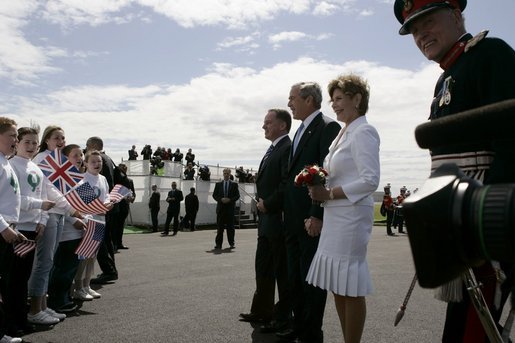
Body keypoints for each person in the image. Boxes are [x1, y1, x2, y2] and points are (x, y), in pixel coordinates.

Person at [394, 0, 515, 341]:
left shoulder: (491, 54)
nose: (421, 35)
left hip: (487, 225)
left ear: (457, 15)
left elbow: (511, 139)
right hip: (461, 221)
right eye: (414, 30)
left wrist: (486, 217)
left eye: (428, 21)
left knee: (481, 331)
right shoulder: (447, 77)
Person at [306, 75, 380, 343]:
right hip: (336, 216)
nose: (334, 105)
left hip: (351, 218)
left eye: (339, 99)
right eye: (332, 100)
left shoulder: (364, 132)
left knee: (350, 287)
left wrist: (329, 193)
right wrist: (317, 184)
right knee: (338, 285)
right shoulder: (343, 132)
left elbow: (370, 179)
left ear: (357, 99)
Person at [278, 82, 340, 343]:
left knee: (311, 278)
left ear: (309, 100)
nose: (289, 103)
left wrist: (316, 214)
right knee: (294, 275)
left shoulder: (327, 127)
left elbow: (325, 173)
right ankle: (298, 324)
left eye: (292, 98)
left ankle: (312, 332)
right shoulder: (300, 132)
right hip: (292, 217)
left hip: (309, 218)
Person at [239, 109, 292, 334]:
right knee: (263, 267)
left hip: (277, 220)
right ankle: (262, 310)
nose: (264, 126)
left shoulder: (287, 148)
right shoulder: (272, 150)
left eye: (268, 123)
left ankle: (281, 318)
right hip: (266, 223)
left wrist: (268, 204)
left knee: (281, 271)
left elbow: (285, 184)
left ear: (282, 125)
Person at [9, 127, 57, 330]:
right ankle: (13, 322)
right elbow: (12, 199)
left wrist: (43, 220)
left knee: (23, 277)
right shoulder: (12, 166)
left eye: (34, 143)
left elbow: (45, 195)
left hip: (32, 229)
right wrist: (39, 206)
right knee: (14, 279)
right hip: (16, 228)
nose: (30, 146)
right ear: (17, 143)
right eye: (26, 142)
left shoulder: (36, 168)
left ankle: (22, 318)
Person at [0, 117, 24, 343]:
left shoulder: (6, 162)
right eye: (12, 136)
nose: (15, 140)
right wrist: (4, 227)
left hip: (8, 229)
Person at [86, 137, 119, 285]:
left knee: (98, 246)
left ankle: (108, 271)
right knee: (102, 243)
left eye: (87, 146)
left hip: (101, 212)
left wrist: (107, 202)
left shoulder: (101, 171)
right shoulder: (109, 160)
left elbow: (105, 190)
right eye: (93, 162)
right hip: (98, 212)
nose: (96, 164)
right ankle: (109, 270)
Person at [212, 168, 240, 249]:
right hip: (221, 208)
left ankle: (231, 242)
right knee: (220, 228)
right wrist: (221, 199)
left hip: (230, 209)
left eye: (227, 173)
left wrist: (230, 200)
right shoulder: (218, 184)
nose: (226, 175)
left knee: (230, 227)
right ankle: (218, 244)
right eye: (225, 173)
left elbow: (237, 196)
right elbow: (214, 195)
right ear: (223, 174)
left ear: (230, 174)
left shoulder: (234, 184)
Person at [112, 163, 135, 251]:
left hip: (125, 206)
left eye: (125, 167)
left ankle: (119, 243)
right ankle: (113, 244)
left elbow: (133, 192)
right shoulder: (115, 179)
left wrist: (132, 198)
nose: (124, 168)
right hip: (116, 205)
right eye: (121, 167)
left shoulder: (129, 180)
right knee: (114, 226)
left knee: (121, 226)